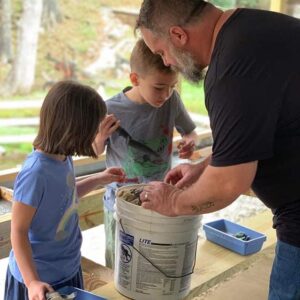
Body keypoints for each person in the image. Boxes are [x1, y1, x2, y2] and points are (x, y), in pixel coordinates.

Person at [135, 1, 300, 299]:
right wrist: (204, 167)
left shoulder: (231, 71)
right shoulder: (258, 27)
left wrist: (173, 203)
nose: (168, 62)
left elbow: (227, 183)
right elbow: (259, 131)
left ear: (178, 35)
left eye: (162, 52)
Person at [4, 81, 127, 300]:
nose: (95, 135)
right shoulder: (36, 173)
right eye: (93, 129)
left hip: (67, 269)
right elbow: (18, 231)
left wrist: (99, 178)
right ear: (73, 129)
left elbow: (65, 197)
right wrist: (32, 282)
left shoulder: (63, 158)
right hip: (38, 282)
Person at [94, 38, 198, 269]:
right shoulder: (110, 108)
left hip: (159, 196)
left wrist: (189, 143)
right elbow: (94, 150)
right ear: (135, 79)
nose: (166, 94)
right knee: (119, 261)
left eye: (173, 86)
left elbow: (190, 132)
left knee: (152, 261)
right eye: (159, 87)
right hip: (120, 201)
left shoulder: (172, 102)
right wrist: (100, 137)